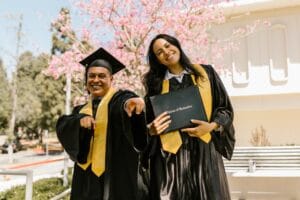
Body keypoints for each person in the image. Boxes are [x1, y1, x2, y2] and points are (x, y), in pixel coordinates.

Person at [142, 33, 235, 200]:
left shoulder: (206, 73)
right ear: (157, 59)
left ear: (176, 45)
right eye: (159, 52)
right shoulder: (155, 85)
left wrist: (212, 126)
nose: (166, 52)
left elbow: (224, 109)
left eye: (168, 45)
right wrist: (150, 130)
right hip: (169, 158)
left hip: (204, 153)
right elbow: (148, 123)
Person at [56, 47, 148, 200]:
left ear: (111, 79)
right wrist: (80, 122)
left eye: (101, 76)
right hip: (86, 180)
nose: (96, 80)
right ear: (86, 81)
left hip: (116, 178)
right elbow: (64, 125)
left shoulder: (119, 101)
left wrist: (131, 102)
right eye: (91, 76)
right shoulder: (80, 110)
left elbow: (125, 103)